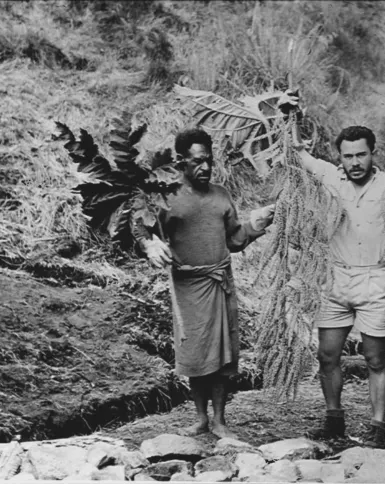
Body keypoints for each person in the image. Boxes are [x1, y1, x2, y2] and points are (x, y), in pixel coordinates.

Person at [278, 92, 385, 448]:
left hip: (375, 279)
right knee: (327, 355)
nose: (355, 162)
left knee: (375, 358)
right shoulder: (330, 178)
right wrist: (290, 116)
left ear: (373, 153)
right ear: (339, 157)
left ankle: (378, 428)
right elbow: (296, 155)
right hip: (336, 280)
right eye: (348, 156)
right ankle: (333, 420)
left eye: (361, 154)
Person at [133, 128, 274, 438]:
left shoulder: (221, 195)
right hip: (189, 286)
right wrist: (148, 243)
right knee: (196, 353)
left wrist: (255, 224)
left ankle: (220, 421)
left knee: (224, 354)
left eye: (208, 161)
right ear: (181, 162)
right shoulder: (165, 197)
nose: (205, 167)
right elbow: (141, 228)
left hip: (221, 283)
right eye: (197, 162)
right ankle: (200, 419)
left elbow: (234, 240)